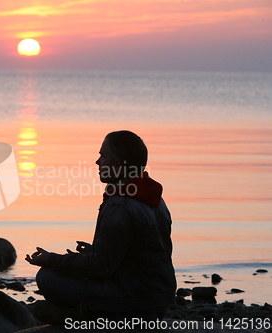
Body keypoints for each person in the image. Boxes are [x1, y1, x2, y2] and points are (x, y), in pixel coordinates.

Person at [25, 130, 176, 321]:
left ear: (116, 165)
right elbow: (140, 256)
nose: (97, 163)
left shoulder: (120, 205)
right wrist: (93, 252)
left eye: (102, 156)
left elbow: (101, 267)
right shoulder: (155, 199)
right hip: (160, 298)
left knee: (46, 277)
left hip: (135, 303)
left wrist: (52, 260)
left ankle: (94, 316)